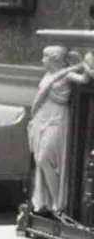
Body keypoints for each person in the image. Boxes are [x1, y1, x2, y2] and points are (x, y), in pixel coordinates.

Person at [27, 46, 90, 216]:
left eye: (45, 57)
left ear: (55, 59)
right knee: (40, 161)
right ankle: (47, 204)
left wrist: (86, 64)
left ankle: (58, 204)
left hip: (57, 119)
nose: (42, 60)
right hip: (42, 118)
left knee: (45, 159)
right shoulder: (48, 75)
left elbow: (85, 79)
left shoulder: (67, 75)